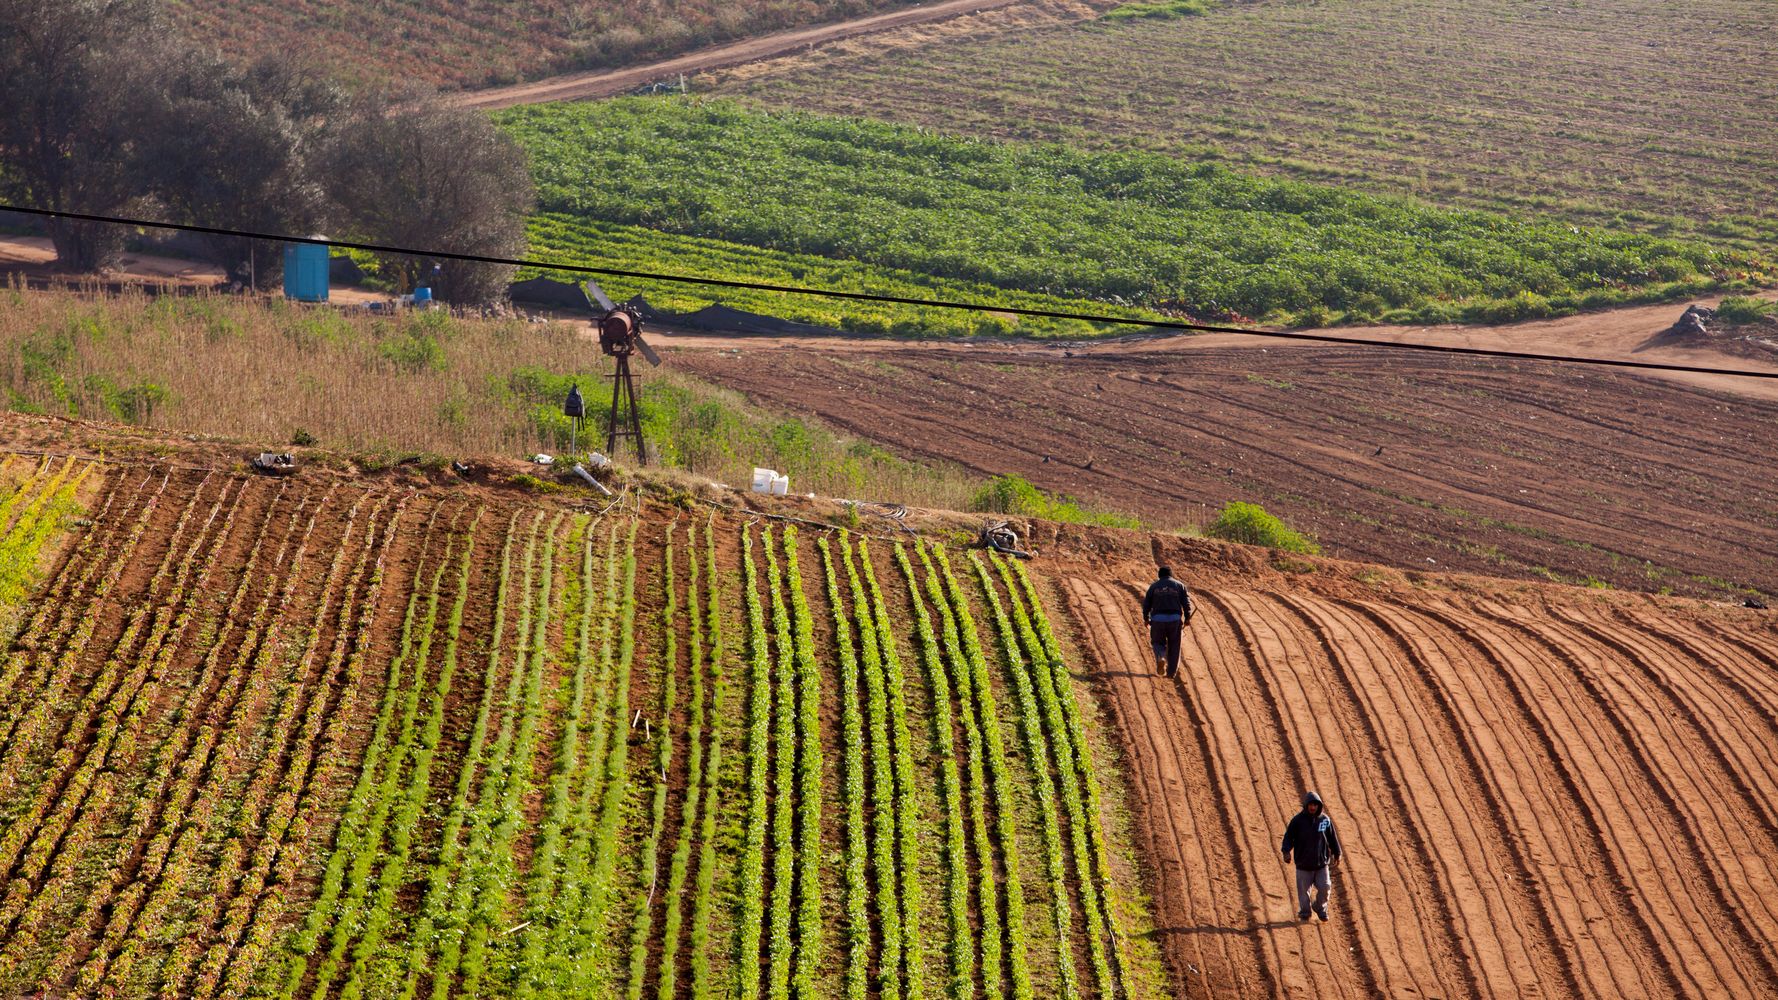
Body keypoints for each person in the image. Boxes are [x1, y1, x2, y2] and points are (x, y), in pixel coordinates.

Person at [1281, 790, 1342, 921]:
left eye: (1315, 805)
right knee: (1303, 893)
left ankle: (1320, 908)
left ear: (1319, 805)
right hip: (1303, 865)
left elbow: (1332, 838)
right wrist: (1286, 852)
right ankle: (1305, 913)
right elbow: (1288, 837)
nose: (1313, 807)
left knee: (1325, 887)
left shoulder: (1325, 820)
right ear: (1306, 805)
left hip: (1321, 864)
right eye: (1311, 804)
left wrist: (1337, 853)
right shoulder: (1297, 821)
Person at [1141, 566, 1194, 677]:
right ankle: (1171, 673)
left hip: (1157, 620)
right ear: (1171, 575)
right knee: (1175, 645)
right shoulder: (1180, 586)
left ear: (1159, 576)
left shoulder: (1153, 586)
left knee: (1157, 642)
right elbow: (1186, 603)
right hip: (1174, 620)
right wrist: (1188, 617)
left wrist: (1146, 618)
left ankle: (1161, 656)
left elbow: (1146, 604)